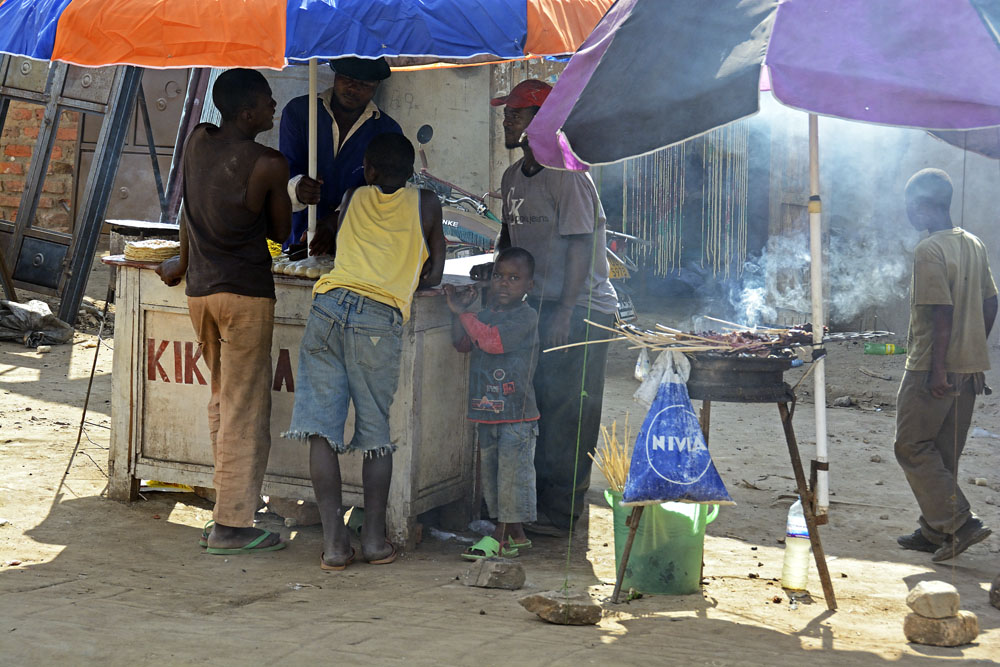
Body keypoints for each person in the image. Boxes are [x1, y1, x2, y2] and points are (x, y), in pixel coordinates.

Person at [283, 133, 445, 569]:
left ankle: (335, 546)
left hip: (328, 307)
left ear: (368, 171)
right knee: (375, 434)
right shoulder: (427, 203)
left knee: (321, 431)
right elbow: (434, 275)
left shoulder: (353, 195)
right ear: (411, 172)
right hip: (378, 318)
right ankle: (374, 542)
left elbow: (335, 242)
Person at [155, 69, 291, 555]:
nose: (275, 110)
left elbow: (189, 214)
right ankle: (233, 524)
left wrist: (182, 263)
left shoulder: (196, 141)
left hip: (201, 292)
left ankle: (231, 504)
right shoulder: (268, 163)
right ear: (247, 111)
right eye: (268, 103)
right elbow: (279, 233)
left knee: (221, 400)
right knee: (245, 407)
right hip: (246, 294)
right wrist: (295, 196)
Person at [485, 79, 618, 535]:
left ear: (542, 120)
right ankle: (529, 505)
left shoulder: (568, 173)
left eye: (517, 113)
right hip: (537, 306)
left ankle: (560, 514)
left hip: (580, 308)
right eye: (508, 112)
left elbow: (580, 244)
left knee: (569, 412)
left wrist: (564, 311)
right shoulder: (511, 178)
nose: (508, 119)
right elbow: (511, 241)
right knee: (534, 407)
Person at [894, 168, 997, 562]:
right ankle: (935, 530)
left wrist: (938, 369)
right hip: (969, 368)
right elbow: (991, 301)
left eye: (908, 206)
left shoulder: (930, 250)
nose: (907, 213)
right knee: (942, 450)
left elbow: (940, 311)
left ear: (922, 207)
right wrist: (972, 348)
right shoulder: (972, 243)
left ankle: (959, 523)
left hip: (929, 367)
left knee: (912, 446)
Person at [446, 247, 540, 559]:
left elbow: (491, 341)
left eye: (514, 278)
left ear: (530, 286)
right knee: (494, 480)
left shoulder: (526, 317)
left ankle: (499, 537)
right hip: (487, 412)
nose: (503, 283)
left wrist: (465, 314)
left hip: (517, 415)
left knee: (512, 477)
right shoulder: (486, 314)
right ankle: (516, 534)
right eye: (499, 276)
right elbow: (462, 343)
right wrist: (461, 310)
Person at [279, 56, 402, 252]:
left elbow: (382, 193)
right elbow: (286, 167)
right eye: (348, 79)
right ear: (335, 75)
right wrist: (299, 187)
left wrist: (335, 220)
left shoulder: (388, 131)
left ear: (376, 85)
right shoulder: (300, 112)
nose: (353, 89)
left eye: (364, 84)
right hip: (299, 237)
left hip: (357, 245)